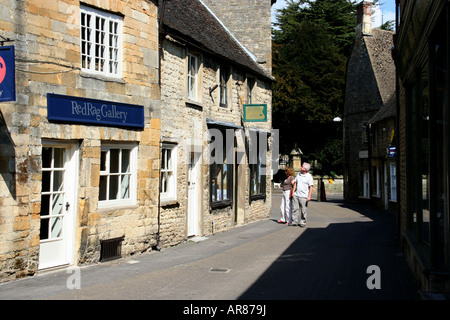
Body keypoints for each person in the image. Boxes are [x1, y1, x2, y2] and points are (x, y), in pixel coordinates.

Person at [291, 162, 314, 227]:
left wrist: (309, 196)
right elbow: (295, 183)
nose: (300, 167)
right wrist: (293, 192)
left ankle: (302, 222)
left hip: (304, 196)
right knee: (295, 208)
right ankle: (294, 221)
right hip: (296, 194)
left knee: (303, 210)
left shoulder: (309, 177)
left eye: (302, 166)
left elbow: (311, 187)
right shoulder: (299, 174)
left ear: (305, 169)